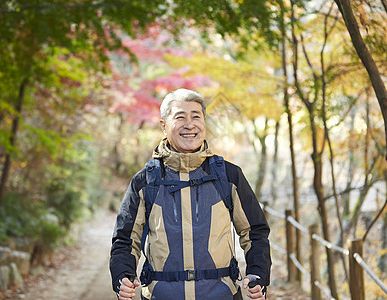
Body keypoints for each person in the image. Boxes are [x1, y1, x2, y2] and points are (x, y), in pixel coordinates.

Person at [110, 88, 271, 300]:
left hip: (221, 295)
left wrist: (258, 273)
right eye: (180, 117)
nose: (189, 125)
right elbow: (125, 239)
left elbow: (255, 231)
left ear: (204, 123)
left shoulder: (228, 176)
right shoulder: (146, 181)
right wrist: (123, 275)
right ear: (163, 125)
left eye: (196, 117)